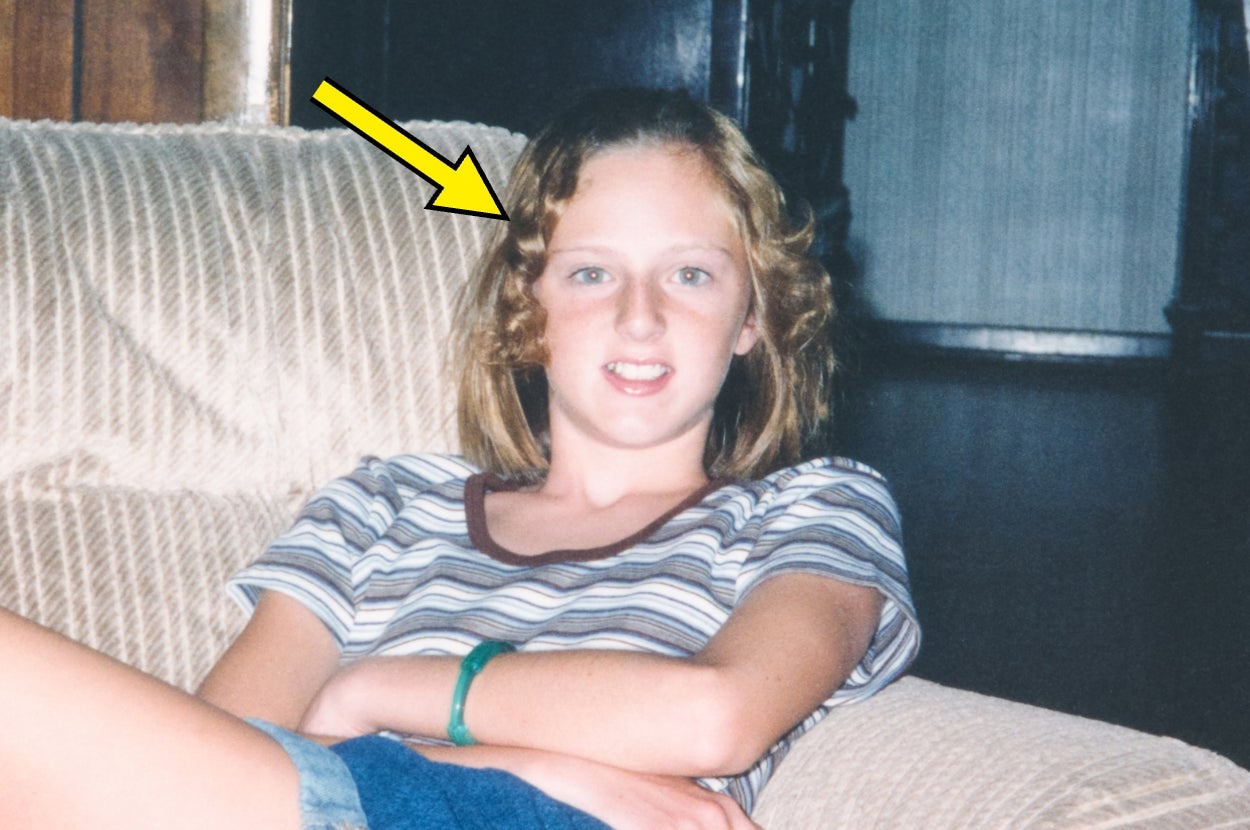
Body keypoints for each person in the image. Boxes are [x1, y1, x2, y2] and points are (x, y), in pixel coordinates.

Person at [0, 88, 918, 829]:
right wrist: (555, 767)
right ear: (531, 311)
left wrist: (370, 693)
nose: (640, 317)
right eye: (591, 273)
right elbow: (227, 744)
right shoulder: (384, 502)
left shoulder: (815, 508)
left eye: (690, 274)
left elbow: (714, 717)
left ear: (753, 316)